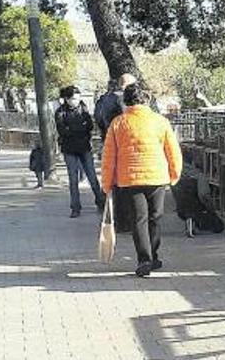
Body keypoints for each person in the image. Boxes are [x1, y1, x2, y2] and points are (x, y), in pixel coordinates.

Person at [101, 84, 183, 277]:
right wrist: (174, 174)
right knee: (156, 217)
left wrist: (106, 184)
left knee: (139, 220)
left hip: (130, 179)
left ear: (125, 102)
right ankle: (153, 255)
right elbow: (173, 151)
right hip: (157, 176)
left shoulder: (118, 123)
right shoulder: (160, 121)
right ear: (145, 101)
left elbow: (109, 156)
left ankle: (144, 260)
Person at [56, 85, 105, 217]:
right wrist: (78, 129)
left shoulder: (83, 109)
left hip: (84, 147)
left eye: (77, 98)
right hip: (69, 149)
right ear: (66, 99)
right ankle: (75, 207)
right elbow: (63, 131)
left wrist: (74, 129)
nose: (76, 101)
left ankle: (100, 202)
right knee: (73, 179)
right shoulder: (60, 112)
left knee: (92, 177)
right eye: (73, 99)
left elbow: (89, 126)